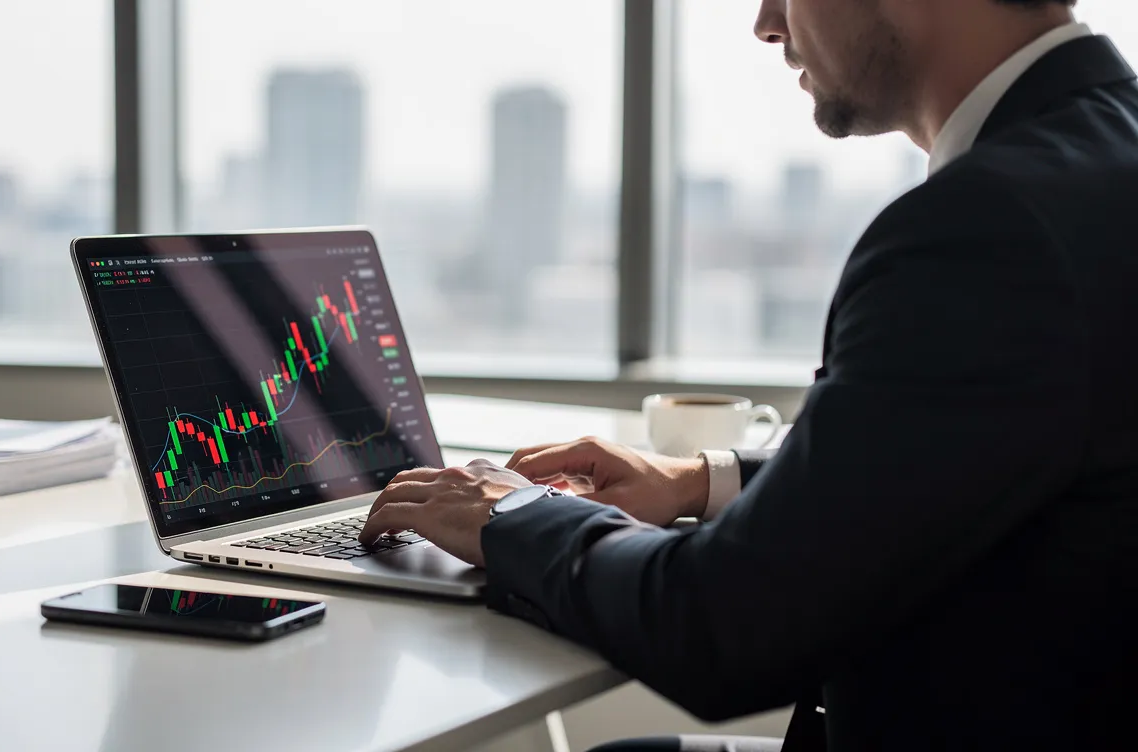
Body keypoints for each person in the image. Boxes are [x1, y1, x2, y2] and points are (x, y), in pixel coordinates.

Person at [360, 0, 1138, 749]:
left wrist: (513, 514)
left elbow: (723, 626)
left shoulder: (989, 228)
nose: (767, 23)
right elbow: (967, 450)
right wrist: (704, 481)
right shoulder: (1104, 156)